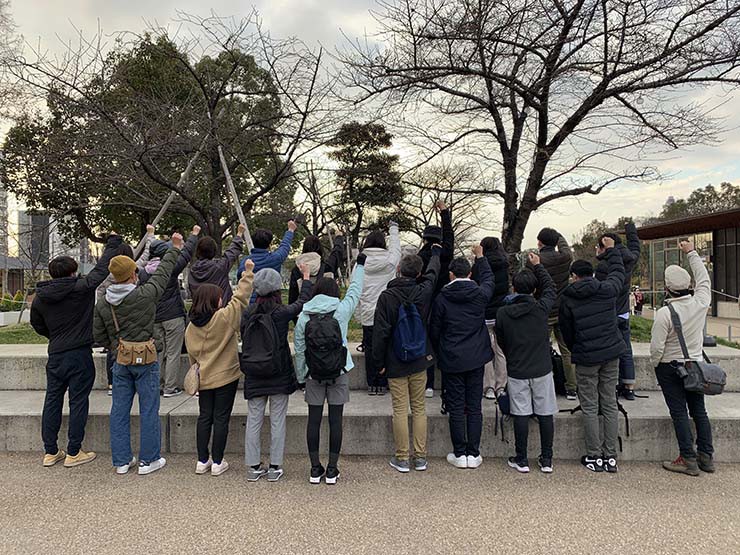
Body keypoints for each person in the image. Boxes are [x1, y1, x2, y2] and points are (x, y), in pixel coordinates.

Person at [93, 233, 185, 476]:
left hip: (121, 359)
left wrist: (116, 345)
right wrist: (174, 248)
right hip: (146, 356)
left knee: (119, 410)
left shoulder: (103, 303)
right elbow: (164, 273)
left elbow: (98, 335)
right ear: (133, 274)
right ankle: (149, 459)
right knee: (148, 409)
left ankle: (122, 461)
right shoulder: (144, 295)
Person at [31, 233, 123, 468]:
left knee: (52, 400)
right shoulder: (82, 288)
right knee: (78, 401)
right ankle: (74, 451)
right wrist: (112, 243)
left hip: (56, 354)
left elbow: (37, 324)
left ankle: (50, 452)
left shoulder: (41, 298)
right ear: (73, 272)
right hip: (80, 353)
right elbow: (102, 268)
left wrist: (54, 336)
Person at [293, 254, 366, 485]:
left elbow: (300, 348)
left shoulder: (304, 315)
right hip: (339, 371)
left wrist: (302, 376)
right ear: (334, 291)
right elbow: (355, 289)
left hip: (314, 374)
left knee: (313, 420)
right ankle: (333, 469)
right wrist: (360, 265)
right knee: (336, 420)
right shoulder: (341, 310)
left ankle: (315, 469)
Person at [372, 245, 442, 473]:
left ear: (399, 269)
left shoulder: (386, 297)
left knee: (400, 409)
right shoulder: (424, 291)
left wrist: (378, 363)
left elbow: (380, 333)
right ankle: (420, 457)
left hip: (395, 360)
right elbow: (432, 275)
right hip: (420, 357)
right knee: (419, 408)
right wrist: (435, 255)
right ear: (419, 273)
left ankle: (402, 458)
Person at [558, 237, 625, 473]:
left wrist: (578, 348)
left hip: (586, 356)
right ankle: (611, 457)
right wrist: (612, 250)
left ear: (574, 276)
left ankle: (594, 455)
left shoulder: (567, 298)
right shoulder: (607, 289)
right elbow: (618, 272)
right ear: (592, 274)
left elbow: (566, 332)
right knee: (608, 403)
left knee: (589, 405)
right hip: (611, 353)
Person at [241, 264, 313, 482]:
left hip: (253, 372)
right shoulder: (280, 313)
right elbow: (301, 303)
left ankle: (253, 467)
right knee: (277, 420)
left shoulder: (247, 313)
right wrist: (306, 278)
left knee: (254, 418)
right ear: (276, 289)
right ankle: (274, 466)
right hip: (278, 371)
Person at [185, 260, 255, 477]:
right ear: (215, 300)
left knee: (204, 416)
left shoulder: (190, 327)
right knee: (221, 417)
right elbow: (241, 297)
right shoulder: (224, 318)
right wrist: (248, 273)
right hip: (225, 376)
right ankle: (217, 461)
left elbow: (191, 357)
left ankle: (201, 460)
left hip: (203, 376)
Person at [651, 240, 714, 476]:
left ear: (667, 288)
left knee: (679, 412)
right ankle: (706, 456)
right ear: (688, 285)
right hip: (695, 364)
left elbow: (656, 348)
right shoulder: (700, 302)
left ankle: (687, 458)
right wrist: (691, 253)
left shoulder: (665, 313)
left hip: (670, 366)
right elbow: (704, 279)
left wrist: (655, 364)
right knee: (699, 411)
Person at [430, 245, 494, 470]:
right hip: (476, 356)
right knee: (474, 406)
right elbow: (489, 280)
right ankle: (473, 453)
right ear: (469, 274)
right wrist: (480, 258)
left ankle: (459, 453)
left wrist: (440, 351)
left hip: (452, 356)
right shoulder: (479, 294)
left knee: (456, 406)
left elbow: (435, 329)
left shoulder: (442, 297)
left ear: (450, 275)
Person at [496, 253, 558, 474]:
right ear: (534, 290)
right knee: (545, 412)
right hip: (541, 365)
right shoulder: (541, 309)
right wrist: (538, 266)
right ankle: (547, 458)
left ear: (514, 288)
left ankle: (521, 458)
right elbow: (551, 288)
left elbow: (500, 341)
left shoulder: (503, 313)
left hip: (517, 367)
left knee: (520, 412)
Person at [139, 230, 199, 398]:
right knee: (173, 352)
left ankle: (155, 384)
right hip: (173, 315)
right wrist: (193, 235)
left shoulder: (143, 273)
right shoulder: (170, 267)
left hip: (154, 317)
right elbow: (186, 253)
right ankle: (170, 388)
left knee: (158, 351)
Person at [96, 227, 155, 396]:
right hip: (133, 319)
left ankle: (111, 383)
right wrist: (150, 235)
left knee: (114, 351)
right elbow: (146, 254)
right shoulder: (133, 270)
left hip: (113, 319)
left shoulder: (107, 277)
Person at [595, 222, 641, 400]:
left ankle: (610, 386)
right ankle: (629, 386)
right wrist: (630, 228)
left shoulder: (604, 266)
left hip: (608, 313)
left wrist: (600, 256)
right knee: (626, 349)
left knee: (609, 352)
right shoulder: (630, 259)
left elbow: (600, 288)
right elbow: (635, 246)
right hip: (623, 312)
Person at [356, 221, 402, 395]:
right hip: (386, 311)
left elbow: (356, 289)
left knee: (369, 347)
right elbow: (396, 249)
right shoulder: (390, 260)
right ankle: (384, 382)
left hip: (368, 312)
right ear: (383, 243)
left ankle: (373, 383)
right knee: (386, 346)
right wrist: (393, 229)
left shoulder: (360, 263)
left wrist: (359, 315)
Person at [536, 228, 577, 400]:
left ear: (540, 243)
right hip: (562, 311)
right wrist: (558, 235)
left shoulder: (538, 261)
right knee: (567, 351)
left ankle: (547, 386)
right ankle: (571, 388)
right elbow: (566, 248)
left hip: (544, 312)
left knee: (542, 350)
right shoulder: (565, 257)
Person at [419, 201, 454, 398]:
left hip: (426, 304)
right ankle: (447, 383)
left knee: (429, 341)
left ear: (425, 239)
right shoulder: (446, 254)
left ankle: (429, 384)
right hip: (446, 303)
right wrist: (444, 213)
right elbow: (449, 235)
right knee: (445, 340)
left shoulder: (422, 256)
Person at [473, 236, 509, 400]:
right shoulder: (504, 264)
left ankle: (488, 387)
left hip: (484, 313)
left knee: (486, 350)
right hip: (500, 313)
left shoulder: (480, 265)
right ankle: (501, 386)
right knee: (500, 351)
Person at [188, 224, 245, 303]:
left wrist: (193, 236)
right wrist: (239, 234)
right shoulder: (220, 267)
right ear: (214, 251)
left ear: (198, 251)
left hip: (199, 312)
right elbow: (232, 252)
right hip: (221, 312)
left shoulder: (192, 271)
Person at [288, 233, 345, 305]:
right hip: (327, 310)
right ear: (320, 248)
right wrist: (339, 238)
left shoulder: (296, 270)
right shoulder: (327, 266)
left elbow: (293, 297)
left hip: (304, 312)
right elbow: (337, 252)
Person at [237, 220, 297, 285]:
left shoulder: (245, 262)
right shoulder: (275, 259)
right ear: (269, 244)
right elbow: (285, 246)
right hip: (271, 295)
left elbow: (240, 280)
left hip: (249, 295)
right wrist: (290, 230)